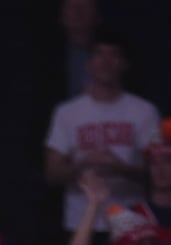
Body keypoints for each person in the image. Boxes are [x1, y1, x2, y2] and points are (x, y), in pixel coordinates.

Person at [45, 30, 160, 231]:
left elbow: (161, 172)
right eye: (99, 54)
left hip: (130, 224)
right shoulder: (67, 112)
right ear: (89, 64)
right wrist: (83, 164)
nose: (106, 61)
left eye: (113, 54)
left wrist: (120, 168)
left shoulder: (145, 111)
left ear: (124, 64)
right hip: (80, 224)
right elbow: (52, 173)